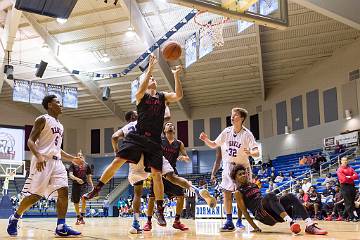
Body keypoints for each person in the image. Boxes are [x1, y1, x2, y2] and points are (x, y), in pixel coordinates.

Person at [84, 54, 184, 226]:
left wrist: (175, 76)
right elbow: (140, 89)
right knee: (117, 161)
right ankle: (97, 188)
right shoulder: (141, 96)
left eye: (153, 78)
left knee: (157, 176)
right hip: (137, 137)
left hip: (154, 141)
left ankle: (159, 212)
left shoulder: (162, 97)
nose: (153, 79)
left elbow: (178, 96)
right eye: (150, 78)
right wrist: (149, 69)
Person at [7, 95, 84, 237]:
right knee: (36, 196)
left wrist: (72, 159)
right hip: (43, 161)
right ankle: (15, 217)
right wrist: (39, 156)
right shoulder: (42, 119)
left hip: (57, 162)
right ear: (49, 105)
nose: (61, 104)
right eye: (58, 102)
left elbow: (56, 148)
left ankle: (61, 226)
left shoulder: (60, 125)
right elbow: (30, 141)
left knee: (64, 190)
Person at [200, 107, 259, 231]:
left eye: (235, 115)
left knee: (240, 195)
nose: (232, 117)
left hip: (242, 168)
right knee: (226, 193)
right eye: (232, 115)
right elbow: (214, 144)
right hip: (228, 166)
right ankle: (229, 221)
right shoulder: (226, 132)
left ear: (242, 118)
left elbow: (257, 152)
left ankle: (239, 221)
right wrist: (206, 140)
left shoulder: (247, 134)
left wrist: (251, 153)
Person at [230, 164, 327, 235]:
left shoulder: (254, 185)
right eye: (240, 174)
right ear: (236, 178)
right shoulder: (238, 192)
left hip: (271, 212)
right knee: (270, 195)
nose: (243, 175)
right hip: (261, 215)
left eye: (244, 173)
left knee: (290, 196)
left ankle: (309, 225)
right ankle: (291, 222)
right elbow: (244, 212)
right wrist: (255, 227)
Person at [143, 122, 192, 231]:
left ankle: (177, 221)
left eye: (171, 125)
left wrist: (184, 158)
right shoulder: (159, 141)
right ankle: (149, 222)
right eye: (167, 125)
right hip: (159, 171)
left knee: (181, 196)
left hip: (172, 172)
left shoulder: (179, 143)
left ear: (174, 130)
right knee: (152, 197)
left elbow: (187, 157)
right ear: (164, 130)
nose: (170, 125)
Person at [69, 151, 93, 225]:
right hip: (75, 185)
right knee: (76, 202)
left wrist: (92, 185)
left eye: (81, 155)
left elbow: (89, 177)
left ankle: (82, 216)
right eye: (78, 155)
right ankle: (78, 216)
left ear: (83, 157)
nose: (80, 156)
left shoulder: (87, 165)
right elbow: (70, 175)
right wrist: (77, 179)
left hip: (84, 185)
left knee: (84, 198)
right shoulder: (73, 165)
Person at [337, 157, 359, 222]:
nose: (345, 161)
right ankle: (352, 217)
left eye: (346, 160)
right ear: (341, 161)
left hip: (352, 186)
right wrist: (352, 177)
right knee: (348, 202)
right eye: (344, 160)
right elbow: (343, 179)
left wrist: (349, 177)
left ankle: (345, 216)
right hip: (344, 186)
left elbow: (357, 176)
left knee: (352, 202)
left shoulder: (350, 168)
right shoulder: (339, 170)